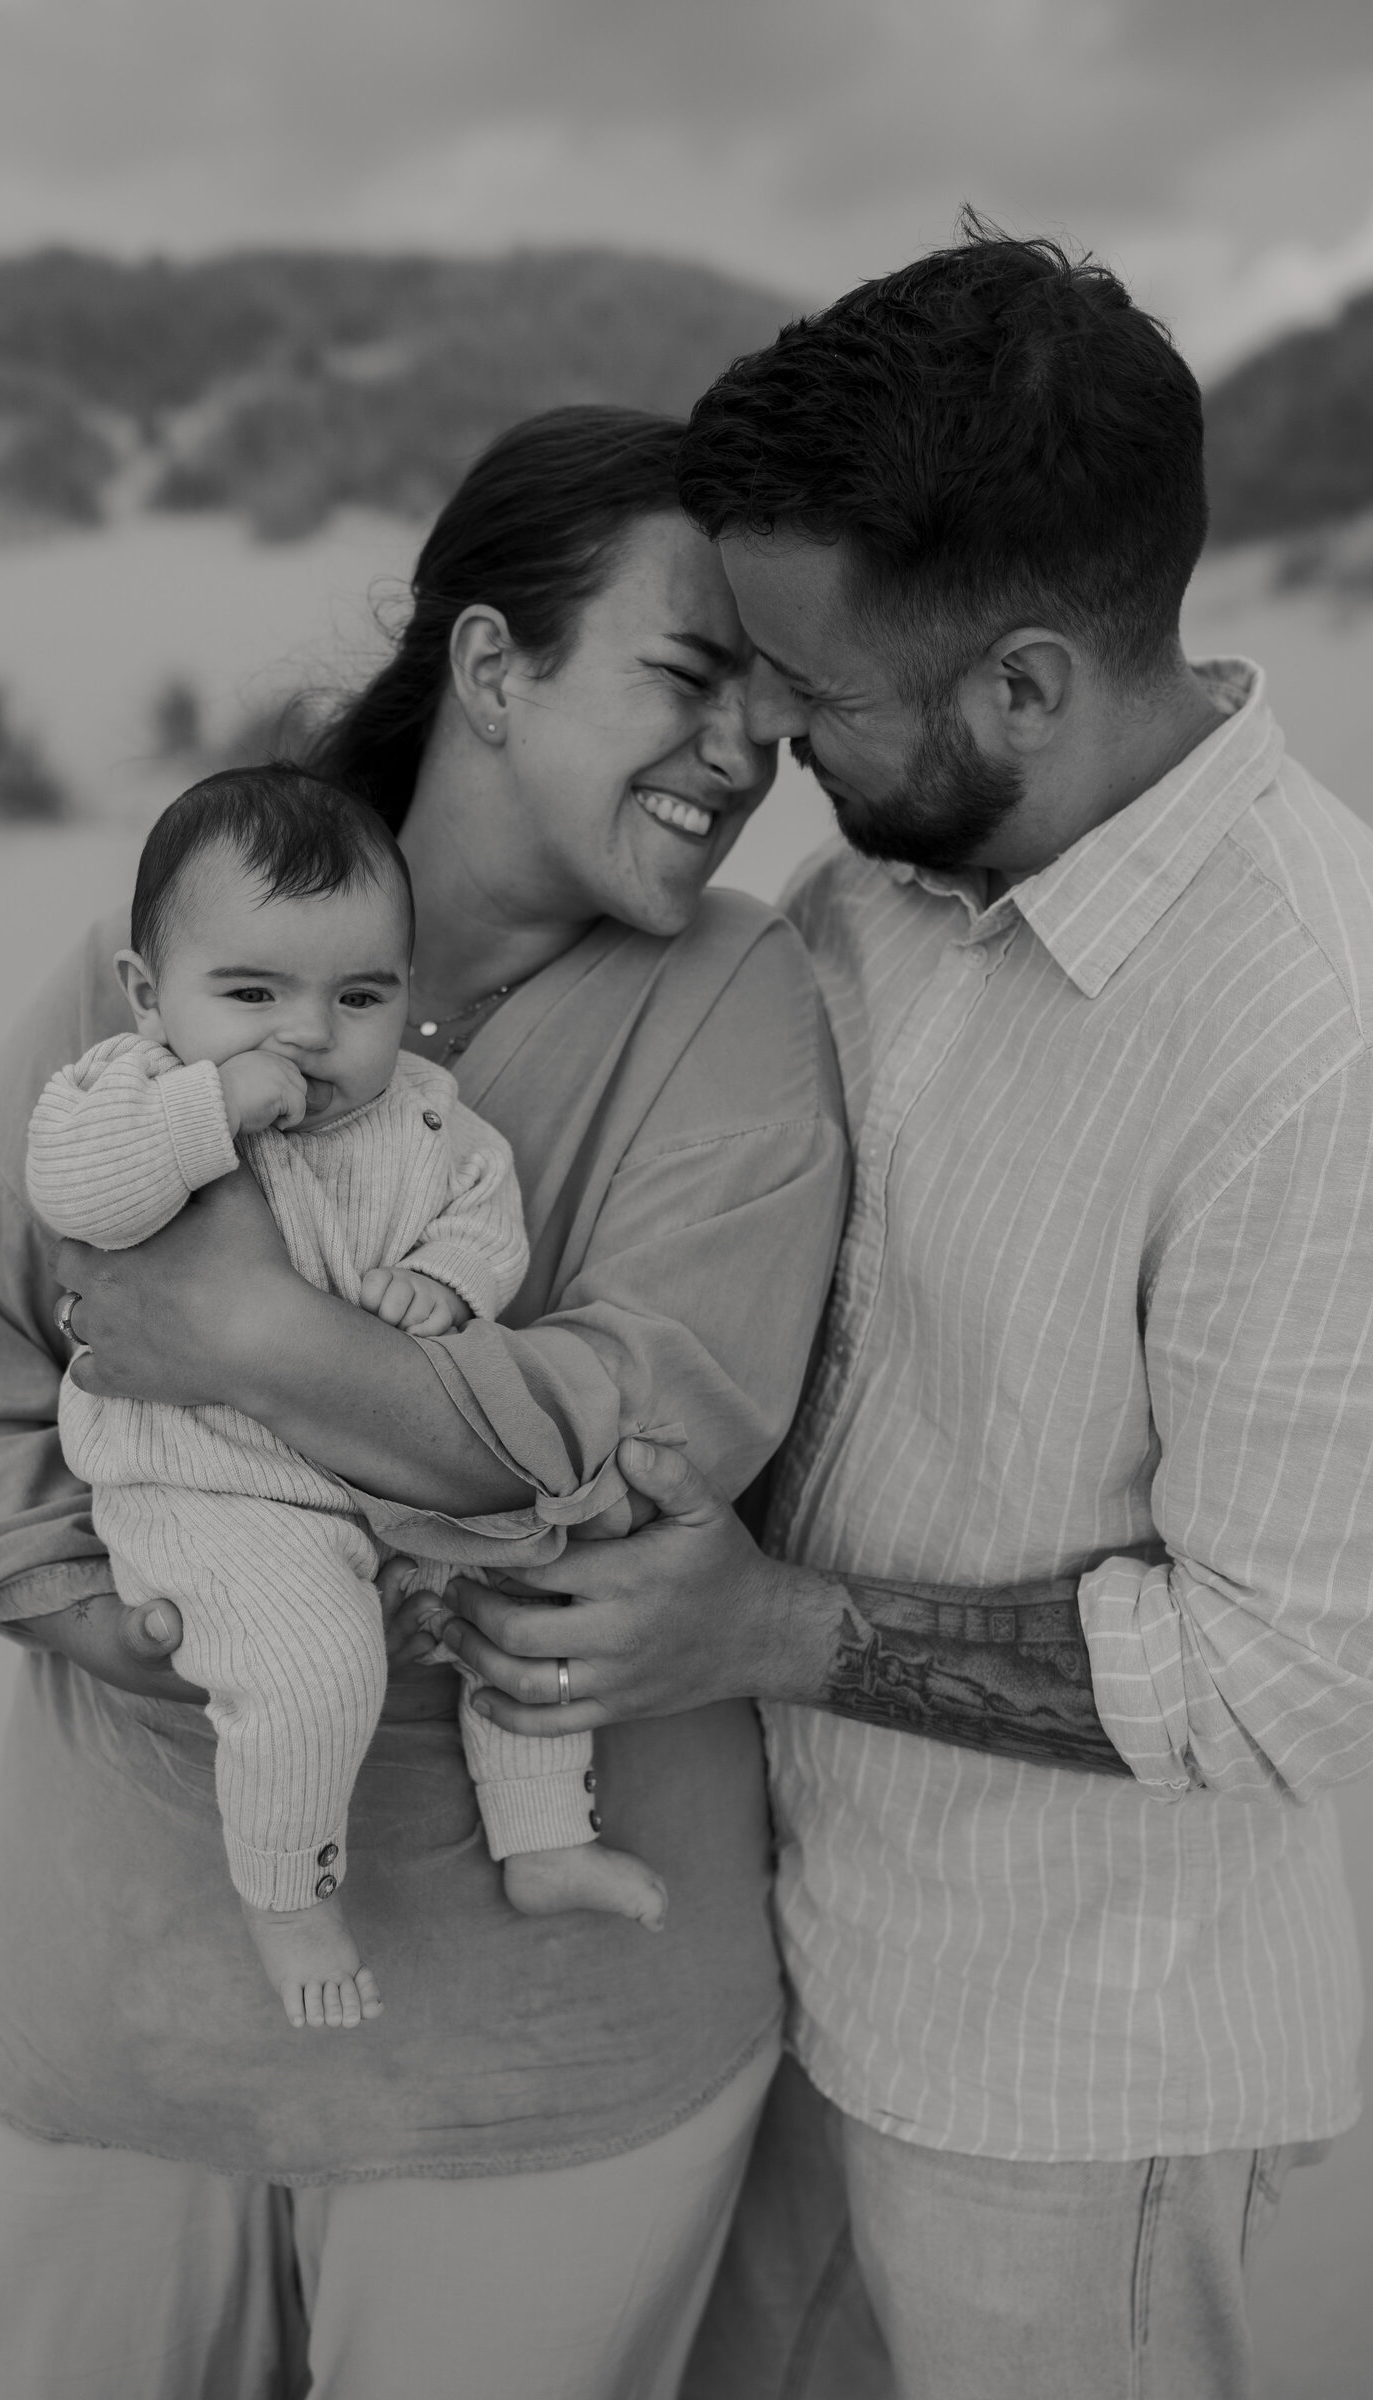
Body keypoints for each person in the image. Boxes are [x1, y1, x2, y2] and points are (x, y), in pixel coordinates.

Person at [430, 232, 1373, 2400]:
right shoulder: (858, 901)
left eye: (798, 679)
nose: (752, 725)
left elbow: (1281, 1670)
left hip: (1079, 2090)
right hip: (801, 1982)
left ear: (1020, 688)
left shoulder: (1313, 1036)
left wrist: (768, 1630)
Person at [0, 405, 849, 2400]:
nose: (742, 755)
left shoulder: (735, 1000)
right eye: (686, 678)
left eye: (771, 705)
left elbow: (657, 1430)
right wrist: (146, 1621)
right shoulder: (164, 960)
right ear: (491, 667)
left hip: (553, 2055)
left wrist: (244, 1340)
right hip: (116, 1995)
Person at [27, 764, 670, 2037]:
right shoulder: (121, 1093)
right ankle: (289, 1895)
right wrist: (209, 1108)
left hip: (382, 1470)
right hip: (212, 1487)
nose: (308, 1035)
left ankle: (541, 1835)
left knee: (537, 1579)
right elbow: (80, 1195)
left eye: (359, 996)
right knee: (312, 1669)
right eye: (253, 995)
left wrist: (446, 1279)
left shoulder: (430, 1125)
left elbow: (490, 1223)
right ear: (153, 997)